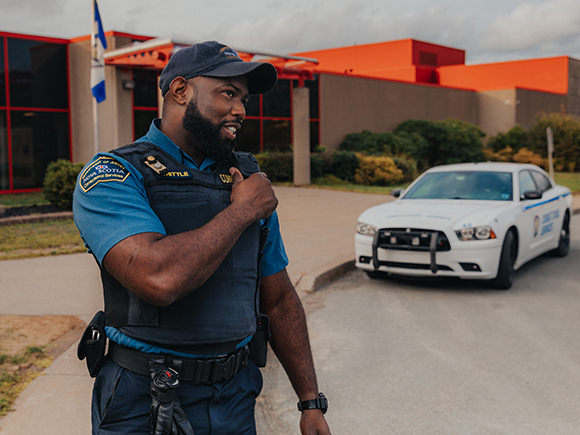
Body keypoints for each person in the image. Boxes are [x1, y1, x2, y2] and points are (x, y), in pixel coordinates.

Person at [73, 41, 331, 435]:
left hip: (234, 397)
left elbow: (277, 298)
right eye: (228, 93)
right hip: (144, 401)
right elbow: (158, 279)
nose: (241, 110)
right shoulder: (115, 174)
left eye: (243, 99)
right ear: (180, 91)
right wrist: (242, 211)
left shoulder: (245, 179)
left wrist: (310, 401)